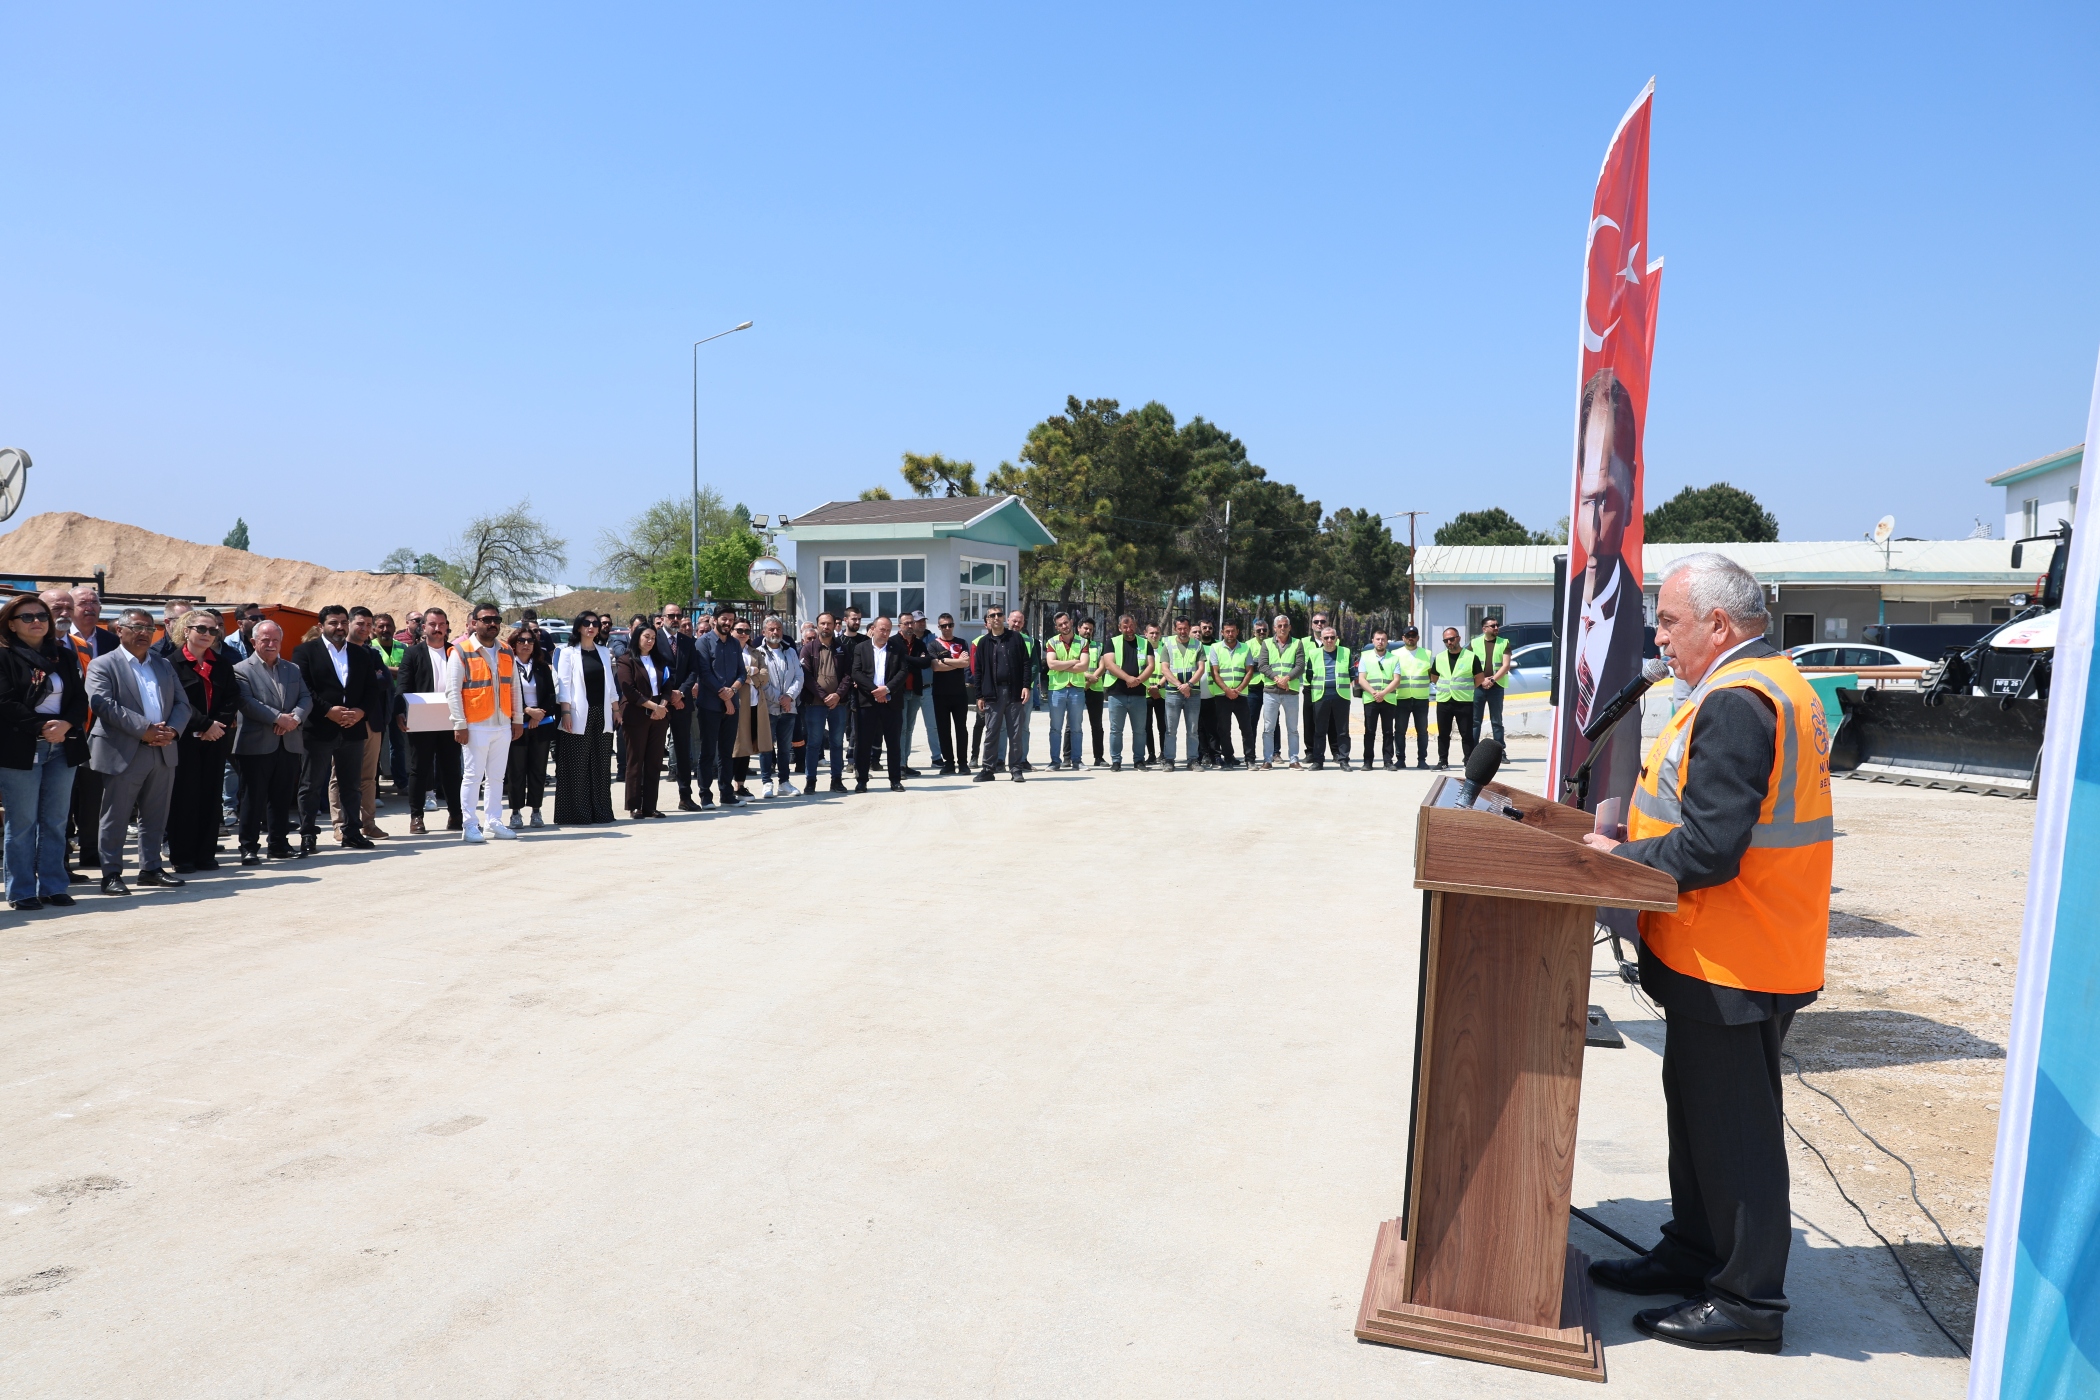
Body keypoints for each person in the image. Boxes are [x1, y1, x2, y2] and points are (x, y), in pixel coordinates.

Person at [1580, 553, 1832, 1353]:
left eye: (1669, 622)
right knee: (1697, 1119)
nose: (1660, 637)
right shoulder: (1766, 684)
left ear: (1719, 624)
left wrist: (1615, 864)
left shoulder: (1739, 698)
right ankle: (1695, 1253)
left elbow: (1713, 847)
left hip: (1738, 954)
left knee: (1736, 1134)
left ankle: (1749, 1301)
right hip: (1723, 949)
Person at [1559, 367, 1646, 806]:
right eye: (1586, 501)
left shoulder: (1636, 616)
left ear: (1631, 491)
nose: (1593, 526)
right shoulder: (1566, 606)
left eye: (1607, 501)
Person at [86, 609, 192, 894]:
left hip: (163, 748)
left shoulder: (163, 665)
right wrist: (145, 729)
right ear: (119, 630)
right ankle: (111, 873)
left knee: (156, 814)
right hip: (124, 749)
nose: (144, 633)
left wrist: (172, 730)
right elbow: (103, 704)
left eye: (149, 628)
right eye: (136, 627)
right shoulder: (103, 664)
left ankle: (151, 868)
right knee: (116, 815)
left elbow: (183, 704)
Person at [0, 592, 89, 909]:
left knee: (55, 821)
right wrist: (41, 727)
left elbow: (80, 699)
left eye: (41, 616)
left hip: (64, 747)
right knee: (22, 824)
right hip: (21, 748)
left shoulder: (63, 656)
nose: (37, 621)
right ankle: (22, 890)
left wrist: (65, 725)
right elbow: (5, 703)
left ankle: (53, 885)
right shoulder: (4, 655)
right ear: (11, 624)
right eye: (27, 617)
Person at [290, 605, 383, 856]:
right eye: (333, 623)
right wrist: (328, 711)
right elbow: (304, 689)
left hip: (353, 728)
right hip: (319, 728)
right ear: (321, 627)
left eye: (343, 622)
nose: (339, 627)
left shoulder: (361, 654)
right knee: (311, 784)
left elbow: (372, 689)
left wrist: (361, 712)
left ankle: (352, 832)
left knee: (351, 784)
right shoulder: (305, 652)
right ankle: (308, 834)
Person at [166, 610, 241, 872]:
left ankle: (205, 854)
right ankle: (183, 856)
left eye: (213, 630)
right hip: (185, 739)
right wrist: (204, 724)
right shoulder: (171, 664)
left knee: (210, 796)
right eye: (202, 629)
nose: (208, 634)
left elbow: (232, 698)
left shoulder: (222, 664)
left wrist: (216, 725)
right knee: (184, 797)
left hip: (215, 739)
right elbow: (177, 701)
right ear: (186, 630)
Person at [232, 621, 310, 864]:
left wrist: (295, 718)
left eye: (275, 639)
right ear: (254, 642)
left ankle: (278, 843)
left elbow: (306, 697)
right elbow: (246, 702)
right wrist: (278, 718)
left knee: (281, 796)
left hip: (288, 742)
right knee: (252, 798)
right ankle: (248, 847)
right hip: (256, 744)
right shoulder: (241, 669)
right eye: (265, 639)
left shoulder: (292, 669)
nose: (271, 644)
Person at [448, 603, 524, 841]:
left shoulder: (505, 651)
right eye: (486, 619)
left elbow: (514, 688)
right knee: (472, 777)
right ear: (474, 623)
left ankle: (493, 821)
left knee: (497, 778)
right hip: (475, 724)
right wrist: (459, 724)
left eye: (496, 619)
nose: (492, 624)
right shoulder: (461, 651)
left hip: (501, 723)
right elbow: (452, 691)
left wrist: (518, 719)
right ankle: (470, 824)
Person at [395, 608, 463, 834]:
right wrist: (399, 712)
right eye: (433, 624)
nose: (438, 628)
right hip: (421, 718)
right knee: (419, 769)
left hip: (451, 718)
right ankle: (416, 817)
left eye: (442, 624)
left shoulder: (456, 652)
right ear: (423, 628)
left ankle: (456, 815)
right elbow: (402, 686)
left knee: (452, 770)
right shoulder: (413, 653)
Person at [329, 608, 391, 844]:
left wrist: (360, 681)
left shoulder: (372, 653)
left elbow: (384, 681)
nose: (364, 628)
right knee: (339, 776)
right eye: (359, 623)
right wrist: (362, 681)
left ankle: (368, 823)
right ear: (348, 625)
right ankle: (340, 825)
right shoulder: (336, 651)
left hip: (370, 722)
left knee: (368, 777)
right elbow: (340, 684)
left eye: (368, 624)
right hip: (343, 721)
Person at [553, 613, 618, 825]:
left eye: (595, 624)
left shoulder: (603, 652)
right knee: (577, 765)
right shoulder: (567, 653)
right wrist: (565, 713)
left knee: (601, 765)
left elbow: (611, 686)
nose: (591, 627)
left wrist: (616, 710)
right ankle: (577, 813)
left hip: (602, 712)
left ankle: (601, 812)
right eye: (586, 623)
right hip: (578, 713)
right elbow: (563, 686)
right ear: (579, 627)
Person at [615, 620, 673, 820]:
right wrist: (653, 706)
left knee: (654, 761)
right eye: (646, 637)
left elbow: (667, 685)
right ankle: (634, 806)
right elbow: (629, 690)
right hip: (637, 713)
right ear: (637, 637)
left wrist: (662, 707)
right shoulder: (626, 660)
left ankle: (650, 806)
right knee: (635, 760)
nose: (650, 641)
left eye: (653, 638)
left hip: (659, 715)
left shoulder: (660, 660)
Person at [692, 605, 747, 808]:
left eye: (730, 619)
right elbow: (705, 673)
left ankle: (727, 793)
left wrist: (732, 692)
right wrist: (725, 697)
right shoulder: (703, 642)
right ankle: (706, 795)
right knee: (708, 752)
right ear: (714, 620)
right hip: (710, 705)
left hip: (732, 705)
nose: (727, 623)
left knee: (727, 752)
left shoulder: (734, 643)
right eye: (724, 619)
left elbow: (742, 673)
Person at [504, 627, 556, 828]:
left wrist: (539, 713)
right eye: (521, 640)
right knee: (516, 771)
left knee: (537, 770)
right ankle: (515, 812)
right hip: (517, 724)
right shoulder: (508, 666)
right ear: (514, 644)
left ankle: (536, 810)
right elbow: (506, 696)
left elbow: (551, 695)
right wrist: (527, 712)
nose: (526, 644)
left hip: (540, 725)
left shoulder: (542, 666)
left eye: (530, 641)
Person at [971, 606, 1030, 783]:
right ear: (987, 620)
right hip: (992, 694)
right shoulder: (983, 643)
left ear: (1004, 618)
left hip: (1014, 693)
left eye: (999, 614)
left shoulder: (1016, 638)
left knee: (1016, 733)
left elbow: (1026, 664)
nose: (996, 618)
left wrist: (1026, 686)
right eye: (992, 615)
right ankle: (988, 769)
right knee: (991, 733)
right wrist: (979, 695)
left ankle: (1016, 769)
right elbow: (978, 671)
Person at [849, 615, 907, 792]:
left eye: (889, 630)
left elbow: (903, 672)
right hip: (867, 702)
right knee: (864, 742)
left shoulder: (898, 648)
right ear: (873, 629)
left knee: (893, 743)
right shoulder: (861, 648)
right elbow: (856, 672)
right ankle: (862, 780)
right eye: (882, 629)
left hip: (891, 702)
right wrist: (876, 690)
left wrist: (887, 689)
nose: (886, 633)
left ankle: (895, 780)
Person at [799, 613, 851, 795]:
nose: (826, 627)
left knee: (837, 743)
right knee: (813, 743)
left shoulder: (842, 649)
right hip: (815, 704)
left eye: (829, 623)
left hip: (838, 705)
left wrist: (837, 695)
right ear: (817, 625)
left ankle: (836, 780)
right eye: (822, 623)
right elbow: (806, 676)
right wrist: (823, 695)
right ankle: (810, 780)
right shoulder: (809, 649)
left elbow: (848, 674)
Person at [756, 615, 803, 798]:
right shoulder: (758, 653)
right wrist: (778, 698)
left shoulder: (790, 651)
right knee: (766, 747)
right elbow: (762, 681)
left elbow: (799, 677)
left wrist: (789, 696)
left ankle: (784, 782)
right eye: (771, 629)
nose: (775, 632)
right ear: (764, 632)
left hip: (789, 708)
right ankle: (767, 782)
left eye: (778, 629)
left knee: (784, 748)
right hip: (768, 708)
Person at [1101, 614, 1154, 772]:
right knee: (1116, 730)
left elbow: (1150, 665)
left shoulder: (1145, 643)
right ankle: (1116, 761)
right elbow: (1109, 664)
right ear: (1119, 628)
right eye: (1125, 627)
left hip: (1138, 694)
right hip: (1117, 693)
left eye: (1131, 626)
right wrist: (1128, 678)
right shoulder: (1111, 642)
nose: (1128, 629)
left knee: (1139, 730)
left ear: (1135, 625)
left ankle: (1139, 760)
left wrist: (1137, 680)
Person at [1256, 614, 1306, 770]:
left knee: (1293, 728)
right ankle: (1268, 760)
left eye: (1285, 625)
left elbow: (1300, 665)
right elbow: (1262, 665)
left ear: (1290, 627)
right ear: (1275, 628)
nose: (1282, 628)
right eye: (1280, 626)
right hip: (1271, 691)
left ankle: (1294, 760)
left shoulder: (1297, 643)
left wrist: (1287, 679)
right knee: (1268, 728)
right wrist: (1277, 678)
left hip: (1290, 692)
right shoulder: (1266, 643)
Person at [1159, 617, 1207, 772]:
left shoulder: (1197, 645)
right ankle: (1169, 760)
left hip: (1193, 693)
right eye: (1179, 628)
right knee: (1170, 729)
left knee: (1193, 729)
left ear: (1189, 628)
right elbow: (1165, 669)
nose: (1183, 631)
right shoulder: (1168, 644)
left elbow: (1201, 668)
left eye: (1185, 628)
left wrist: (1190, 685)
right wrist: (1180, 685)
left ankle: (1193, 760)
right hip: (1173, 693)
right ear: (1175, 629)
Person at [729, 618, 770, 799]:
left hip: (755, 704)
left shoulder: (755, 651)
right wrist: (750, 672)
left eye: (747, 630)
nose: (744, 634)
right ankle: (730, 785)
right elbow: (730, 673)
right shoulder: (728, 650)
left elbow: (765, 676)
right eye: (740, 630)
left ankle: (741, 785)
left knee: (747, 747)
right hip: (737, 703)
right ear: (732, 631)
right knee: (736, 746)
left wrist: (748, 676)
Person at [1303, 625, 1354, 771]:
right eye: (1326, 637)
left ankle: (1344, 760)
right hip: (1320, 697)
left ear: (1336, 638)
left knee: (1343, 731)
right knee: (1319, 730)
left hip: (1341, 697)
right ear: (1321, 639)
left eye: (1332, 637)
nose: (1330, 640)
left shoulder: (1345, 652)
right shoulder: (1314, 654)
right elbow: (1309, 675)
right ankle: (1318, 761)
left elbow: (1351, 674)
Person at [1043, 611, 1089, 771]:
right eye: (1060, 624)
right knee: (1055, 728)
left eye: (1066, 622)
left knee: (1076, 727)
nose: (1064, 626)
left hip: (1076, 689)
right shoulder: (1052, 642)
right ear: (1057, 627)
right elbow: (1051, 665)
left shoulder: (1083, 642)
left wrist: (1062, 664)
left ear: (1071, 621)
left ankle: (1077, 761)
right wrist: (1073, 662)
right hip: (1057, 690)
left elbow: (1084, 666)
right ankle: (1055, 761)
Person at [1431, 627, 1481, 770]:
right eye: (1446, 640)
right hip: (1444, 700)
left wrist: (1465, 689)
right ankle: (1443, 761)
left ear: (1458, 638)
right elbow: (1434, 677)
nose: (1449, 642)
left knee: (1466, 734)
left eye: (1451, 639)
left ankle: (1468, 761)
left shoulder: (1471, 657)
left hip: (1463, 701)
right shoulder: (1440, 657)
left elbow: (1479, 678)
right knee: (1443, 734)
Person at [1207, 621, 1256, 769]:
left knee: (1247, 729)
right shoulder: (1215, 648)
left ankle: (1250, 759)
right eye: (1227, 631)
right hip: (1222, 695)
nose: (1230, 634)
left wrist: (1239, 689)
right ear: (1222, 632)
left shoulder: (1245, 648)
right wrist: (1227, 690)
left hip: (1241, 695)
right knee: (1224, 729)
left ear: (1238, 631)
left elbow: (1249, 671)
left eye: (1232, 631)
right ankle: (1228, 759)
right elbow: (1214, 672)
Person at [897, 612, 939, 778]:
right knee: (902, 728)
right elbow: (898, 662)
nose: (909, 626)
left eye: (911, 623)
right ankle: (899, 764)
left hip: (915, 691)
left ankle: (905, 763)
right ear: (899, 625)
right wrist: (915, 659)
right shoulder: (893, 642)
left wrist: (906, 659)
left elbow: (925, 663)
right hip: (899, 692)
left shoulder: (920, 644)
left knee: (909, 729)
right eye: (906, 623)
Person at [928, 613, 971, 775]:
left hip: (959, 693)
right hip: (940, 694)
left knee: (961, 729)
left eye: (950, 625)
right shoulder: (933, 645)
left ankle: (963, 763)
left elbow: (966, 663)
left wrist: (945, 661)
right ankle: (949, 763)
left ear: (953, 625)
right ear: (939, 627)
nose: (947, 628)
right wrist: (957, 662)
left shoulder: (961, 642)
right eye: (943, 626)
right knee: (943, 729)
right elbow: (935, 667)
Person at [1390, 626, 1434, 769]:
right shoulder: (1395, 654)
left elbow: (1432, 675)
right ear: (1403, 638)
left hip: (1421, 698)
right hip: (1401, 698)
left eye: (1413, 635)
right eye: (1408, 635)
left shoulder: (1426, 654)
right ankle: (1400, 759)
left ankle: (1422, 760)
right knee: (1400, 731)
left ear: (1418, 637)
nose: (1411, 637)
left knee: (1422, 731)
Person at [1358, 630, 1400, 771]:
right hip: (1371, 699)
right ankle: (1368, 762)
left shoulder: (1394, 659)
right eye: (1378, 639)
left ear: (1387, 641)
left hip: (1388, 699)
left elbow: (1396, 679)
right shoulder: (1365, 657)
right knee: (1369, 731)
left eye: (1383, 639)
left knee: (1388, 732)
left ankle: (1388, 762)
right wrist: (1374, 693)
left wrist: (1383, 693)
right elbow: (1361, 679)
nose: (1380, 642)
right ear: (1373, 640)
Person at [1469, 615, 1513, 747]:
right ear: (1484, 628)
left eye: (1497, 625)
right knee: (1475, 721)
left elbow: (1506, 665)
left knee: (1497, 721)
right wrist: (1482, 680)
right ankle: (1471, 751)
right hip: (1478, 686)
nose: (1496, 628)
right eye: (1492, 626)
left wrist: (1492, 680)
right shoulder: (1474, 643)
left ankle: (1500, 751)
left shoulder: (1504, 642)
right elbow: (1468, 664)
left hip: (1496, 686)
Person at [1079, 617, 1108, 767]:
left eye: (1090, 629)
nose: (1088, 631)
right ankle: (1068, 757)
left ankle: (1099, 757)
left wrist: (1091, 680)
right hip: (1077, 688)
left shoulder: (1099, 645)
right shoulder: (1073, 645)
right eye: (1085, 628)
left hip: (1095, 689)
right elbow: (1073, 665)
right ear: (1078, 629)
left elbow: (1103, 666)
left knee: (1096, 725)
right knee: (1073, 725)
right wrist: (1086, 678)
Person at [1142, 621, 1168, 762]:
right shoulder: (1141, 648)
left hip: (1161, 693)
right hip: (1145, 693)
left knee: (1163, 726)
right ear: (1145, 634)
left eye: (1157, 633)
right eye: (1151, 633)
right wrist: (1149, 688)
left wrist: (1158, 687)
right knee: (1146, 726)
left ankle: (1163, 753)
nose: (1154, 635)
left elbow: (1169, 670)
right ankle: (1150, 755)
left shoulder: (1165, 648)